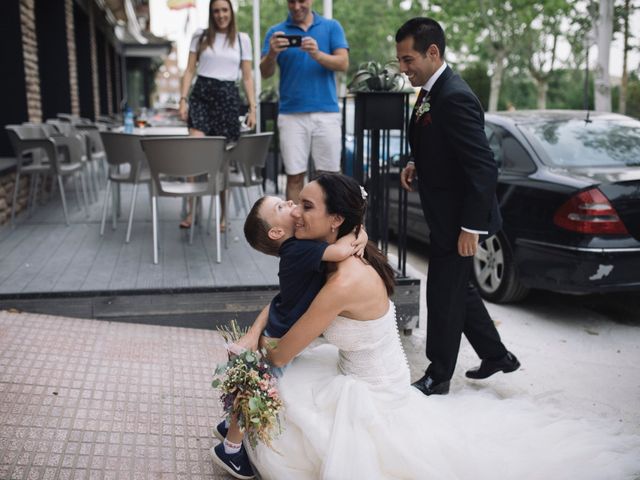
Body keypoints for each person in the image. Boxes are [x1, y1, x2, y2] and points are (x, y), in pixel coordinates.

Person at [227, 173, 640, 479]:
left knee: (280, 398)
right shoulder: (335, 252)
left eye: (306, 206)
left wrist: (248, 365)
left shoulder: (342, 278)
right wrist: (250, 337)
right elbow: (286, 301)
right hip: (358, 374)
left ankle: (234, 441)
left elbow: (281, 352)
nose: (297, 212)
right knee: (281, 391)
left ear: (336, 220)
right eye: (294, 204)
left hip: (372, 399)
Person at [396, 17, 519, 396]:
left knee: (443, 293)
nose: (403, 68)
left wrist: (471, 227)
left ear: (433, 52)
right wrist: (418, 162)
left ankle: (438, 374)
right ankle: (497, 355)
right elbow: (446, 146)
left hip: (460, 219)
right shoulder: (433, 89)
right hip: (445, 212)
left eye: (408, 59)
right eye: (400, 60)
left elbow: (483, 167)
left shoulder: (455, 95)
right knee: (458, 289)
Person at [210, 194, 367, 479]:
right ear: (277, 232)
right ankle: (231, 450)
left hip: (278, 326)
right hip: (279, 337)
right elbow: (342, 251)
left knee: (256, 386)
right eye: (281, 206)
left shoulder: (300, 247)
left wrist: (359, 231)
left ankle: (228, 426)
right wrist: (359, 230)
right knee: (256, 389)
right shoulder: (298, 249)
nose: (291, 204)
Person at [260, 0, 349, 203]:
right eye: (292, 1)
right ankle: (296, 232)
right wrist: (272, 53)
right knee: (294, 177)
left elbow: (343, 63)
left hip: (326, 113)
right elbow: (265, 72)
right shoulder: (276, 32)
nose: (297, 6)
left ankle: (328, 231)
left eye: (302, 1)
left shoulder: (331, 26)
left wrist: (317, 54)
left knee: (330, 178)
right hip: (291, 114)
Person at [178, 0, 256, 230]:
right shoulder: (200, 36)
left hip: (228, 98)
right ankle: (192, 211)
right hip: (201, 95)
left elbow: (248, 77)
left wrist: (253, 107)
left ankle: (224, 216)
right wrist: (183, 99)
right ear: (211, 14)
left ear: (231, 12)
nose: (220, 15)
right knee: (195, 152)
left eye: (224, 10)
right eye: (216, 11)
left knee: (222, 162)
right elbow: (189, 69)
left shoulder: (242, 40)